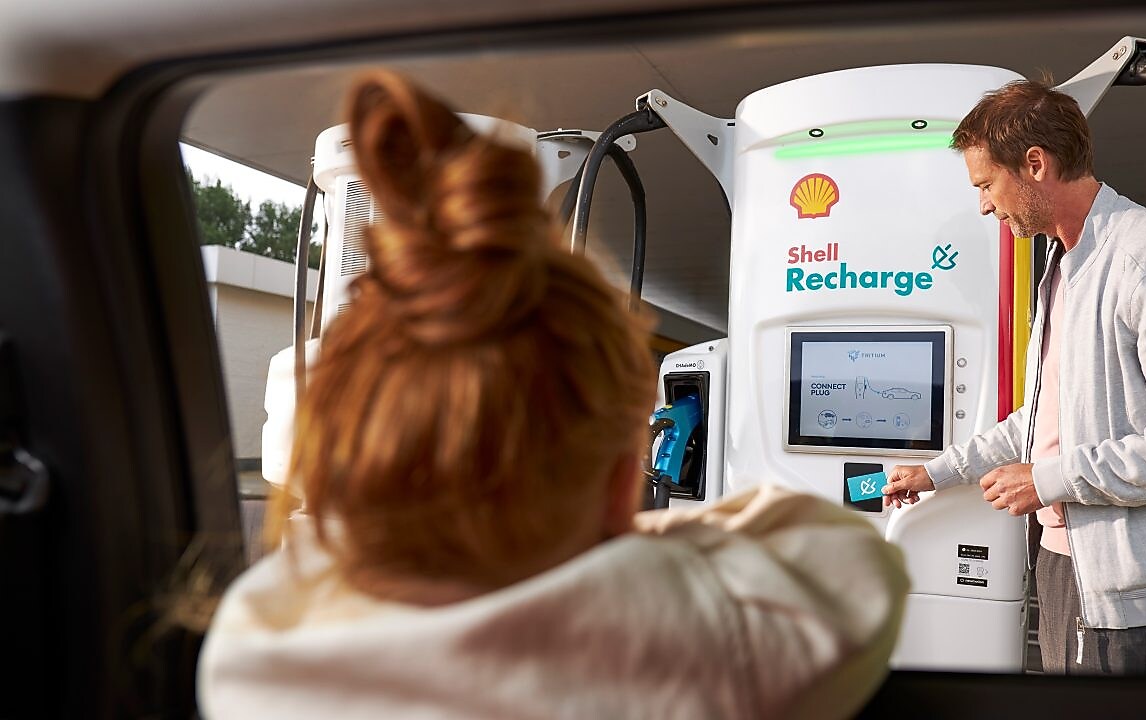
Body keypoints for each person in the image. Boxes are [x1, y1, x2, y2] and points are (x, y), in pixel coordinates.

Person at [197, 70, 908, 719]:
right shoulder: (683, 641)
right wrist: (627, 532)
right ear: (614, 483)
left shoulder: (254, 645)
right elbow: (853, 558)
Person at [883, 79, 1146, 675]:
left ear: (1034, 164)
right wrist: (936, 472)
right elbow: (1044, 420)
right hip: (1064, 564)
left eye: (984, 184)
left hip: (1140, 593)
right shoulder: (1064, 265)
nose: (982, 205)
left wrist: (1051, 479)